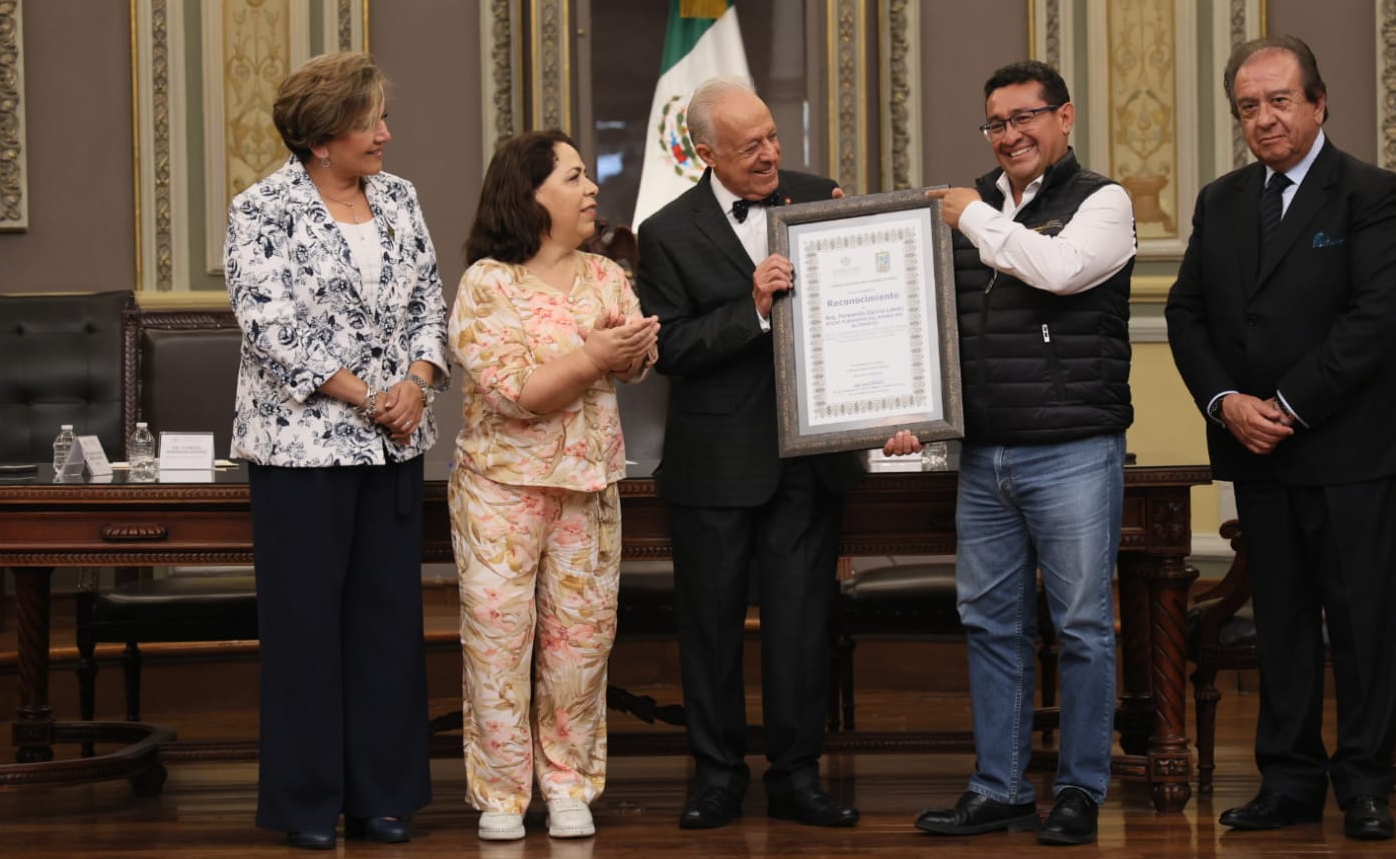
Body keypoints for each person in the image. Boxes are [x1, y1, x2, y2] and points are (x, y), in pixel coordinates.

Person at [1165, 35, 1396, 842]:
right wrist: (1225, 402)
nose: (1263, 119)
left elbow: (1375, 319)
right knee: (1279, 621)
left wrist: (1284, 405)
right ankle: (1289, 781)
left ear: (1317, 102)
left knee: (1361, 624)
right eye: (1247, 107)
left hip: (1345, 450)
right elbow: (1186, 314)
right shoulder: (1222, 199)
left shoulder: (1368, 194)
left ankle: (1367, 784)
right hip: (1255, 450)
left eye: (1278, 101)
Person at [225, 51, 447, 850]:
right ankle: (308, 801)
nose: (385, 133)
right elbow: (272, 327)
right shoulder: (261, 209)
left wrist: (418, 380)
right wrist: (368, 394)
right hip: (301, 452)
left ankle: (382, 796)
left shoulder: (400, 197)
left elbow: (429, 299)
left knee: (387, 625)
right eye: (368, 122)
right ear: (322, 137)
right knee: (305, 628)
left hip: (394, 444)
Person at [634, 77, 867, 831]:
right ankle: (715, 777)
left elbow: (861, 312)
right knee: (709, 630)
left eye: (770, 136)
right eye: (748, 146)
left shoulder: (818, 198)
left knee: (802, 629)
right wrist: (752, 310)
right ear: (705, 154)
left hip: (808, 457)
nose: (769, 154)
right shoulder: (665, 231)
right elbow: (668, 348)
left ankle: (798, 777)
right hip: (713, 464)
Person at [913, 60, 1135, 847]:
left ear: (1064, 118)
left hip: (1073, 450)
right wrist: (913, 412)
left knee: (1079, 627)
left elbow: (1061, 271)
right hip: (984, 456)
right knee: (990, 625)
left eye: (1024, 118)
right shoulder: (966, 209)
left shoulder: (1102, 202)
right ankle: (999, 786)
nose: (1009, 136)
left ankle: (1078, 788)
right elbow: (927, 323)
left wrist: (972, 217)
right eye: (996, 124)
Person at [447, 130, 659, 843]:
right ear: (531, 194)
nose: (591, 188)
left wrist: (629, 351)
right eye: (573, 177)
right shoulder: (487, 283)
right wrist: (596, 352)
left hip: (588, 489)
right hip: (500, 492)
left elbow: (635, 366)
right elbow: (517, 394)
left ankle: (569, 785)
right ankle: (502, 795)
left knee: (581, 646)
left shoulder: (606, 276)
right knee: (499, 645)